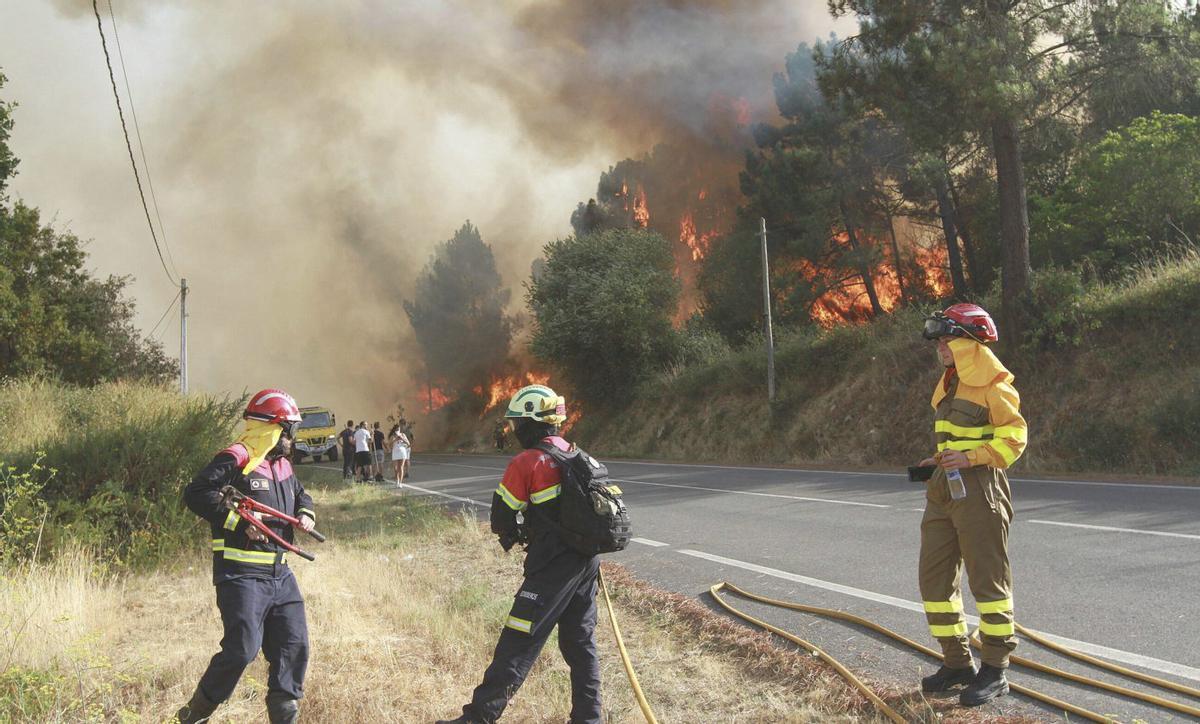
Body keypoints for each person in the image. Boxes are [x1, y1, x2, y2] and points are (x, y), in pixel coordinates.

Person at [438, 384, 601, 724]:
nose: (513, 431)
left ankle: (478, 718)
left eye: (516, 423)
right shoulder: (575, 452)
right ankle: (589, 719)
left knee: (517, 640)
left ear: (530, 422)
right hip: (586, 563)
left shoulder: (527, 461)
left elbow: (501, 517)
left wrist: (518, 533)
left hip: (552, 565)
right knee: (580, 644)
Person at [176, 389, 316, 724]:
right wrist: (239, 522)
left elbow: (300, 493)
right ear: (273, 428)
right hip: (241, 574)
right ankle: (192, 717)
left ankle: (284, 716)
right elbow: (196, 493)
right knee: (242, 650)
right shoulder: (237, 457)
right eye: (290, 429)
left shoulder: (282, 464)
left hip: (280, 575)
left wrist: (305, 511)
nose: (292, 437)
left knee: (293, 647)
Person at [916, 304, 1027, 707]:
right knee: (934, 579)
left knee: (988, 582)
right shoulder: (951, 384)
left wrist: (972, 458)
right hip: (944, 487)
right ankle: (957, 663)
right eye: (939, 341)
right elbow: (955, 437)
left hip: (980, 488)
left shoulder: (993, 385)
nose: (941, 348)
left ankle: (995, 670)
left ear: (969, 343)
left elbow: (1014, 438)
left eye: (947, 340)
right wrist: (939, 459)